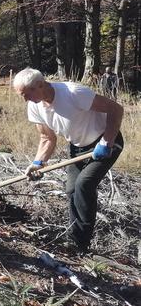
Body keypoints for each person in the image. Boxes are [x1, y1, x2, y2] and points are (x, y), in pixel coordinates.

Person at [14, 68, 124, 253]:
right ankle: (75, 239)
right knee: (72, 189)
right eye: (22, 95)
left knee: (84, 185)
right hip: (78, 147)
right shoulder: (35, 105)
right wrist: (38, 163)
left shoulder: (73, 93)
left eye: (26, 94)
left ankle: (80, 244)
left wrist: (107, 141)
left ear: (40, 85)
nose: (25, 100)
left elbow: (116, 109)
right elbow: (47, 138)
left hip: (105, 142)